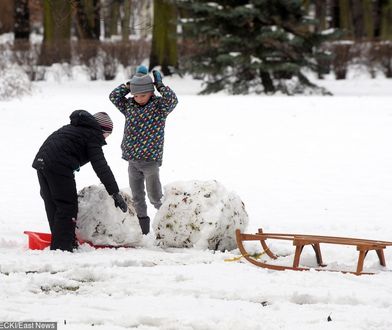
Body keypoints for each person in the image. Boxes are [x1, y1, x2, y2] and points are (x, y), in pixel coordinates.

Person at [32, 110, 128, 252]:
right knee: (67, 206)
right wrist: (114, 192)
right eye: (107, 135)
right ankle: (62, 248)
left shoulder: (74, 128)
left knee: (53, 203)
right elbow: (101, 166)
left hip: (42, 163)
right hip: (59, 165)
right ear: (102, 130)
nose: (106, 139)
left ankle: (61, 242)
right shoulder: (93, 135)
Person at [109, 65, 178, 234]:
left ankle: (170, 223)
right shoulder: (129, 106)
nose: (139, 98)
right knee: (137, 197)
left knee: (155, 197)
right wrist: (129, 84)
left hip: (150, 161)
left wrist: (160, 85)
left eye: (143, 95)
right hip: (132, 160)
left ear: (151, 92)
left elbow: (173, 100)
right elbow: (113, 96)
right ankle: (144, 231)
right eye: (136, 95)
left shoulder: (159, 108)